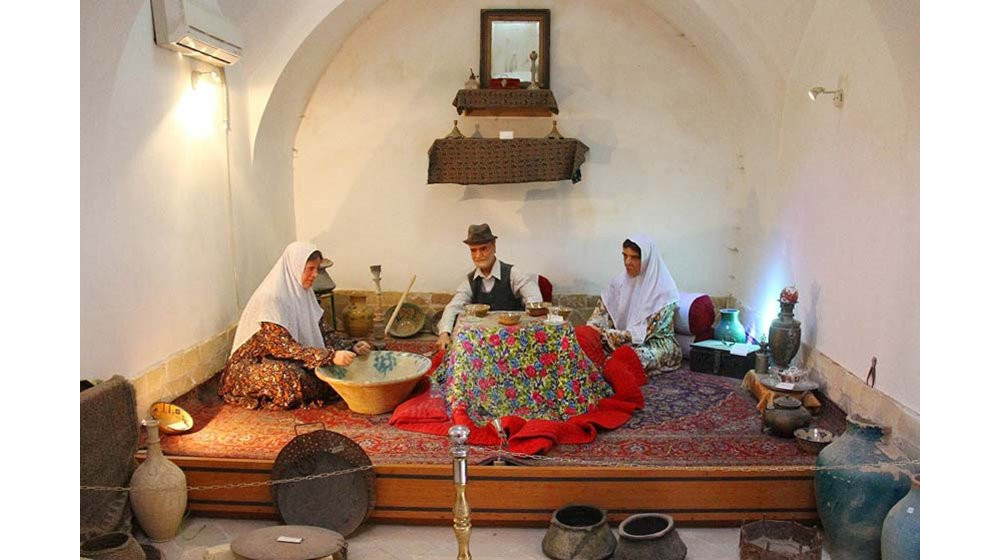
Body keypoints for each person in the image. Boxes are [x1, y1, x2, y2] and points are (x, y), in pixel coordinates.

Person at [220, 241, 371, 409]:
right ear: (295, 267)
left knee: (323, 371)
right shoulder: (271, 298)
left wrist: (352, 346)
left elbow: (323, 331)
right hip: (253, 365)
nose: (314, 275)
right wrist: (330, 356)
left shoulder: (304, 294)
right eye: (310, 269)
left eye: (317, 269)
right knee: (287, 377)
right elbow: (282, 348)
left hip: (286, 358)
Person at [436, 224, 543, 351]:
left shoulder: (513, 274)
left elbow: (535, 301)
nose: (478, 255)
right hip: (482, 345)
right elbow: (453, 307)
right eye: (473, 250)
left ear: (494, 246)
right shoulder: (470, 280)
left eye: (483, 249)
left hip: (513, 342)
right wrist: (444, 333)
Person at [586, 234, 682, 373]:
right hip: (618, 340)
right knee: (586, 346)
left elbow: (643, 334)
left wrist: (604, 334)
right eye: (625, 256)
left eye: (634, 257)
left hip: (653, 344)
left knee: (633, 357)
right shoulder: (618, 282)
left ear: (647, 259)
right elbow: (600, 314)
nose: (627, 262)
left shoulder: (663, 290)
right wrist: (591, 331)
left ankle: (610, 369)